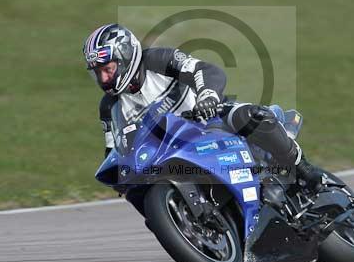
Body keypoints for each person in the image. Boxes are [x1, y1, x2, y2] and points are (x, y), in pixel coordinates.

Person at [83, 23, 326, 189]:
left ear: (125, 57)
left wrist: (207, 97)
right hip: (172, 153)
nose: (104, 79)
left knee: (251, 116)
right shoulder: (110, 107)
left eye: (108, 69)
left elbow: (205, 70)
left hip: (210, 121)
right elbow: (114, 149)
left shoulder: (158, 60)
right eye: (98, 73)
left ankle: (303, 168)